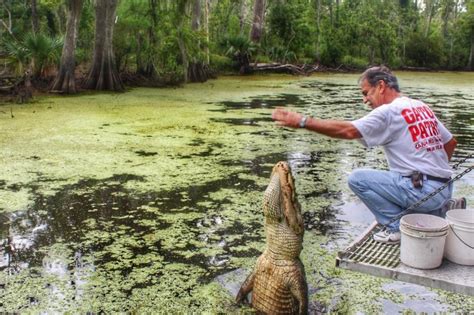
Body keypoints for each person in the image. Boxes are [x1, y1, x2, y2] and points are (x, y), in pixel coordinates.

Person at [272, 65, 466, 244]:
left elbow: (349, 131)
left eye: (366, 93)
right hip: (445, 189)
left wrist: (303, 122)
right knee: (399, 177)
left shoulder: (389, 112)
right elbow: (451, 142)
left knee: (358, 179)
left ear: (381, 86)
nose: (364, 100)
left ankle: (394, 228)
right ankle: (439, 210)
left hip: (422, 192)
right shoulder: (420, 106)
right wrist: (434, 174)